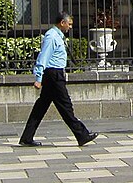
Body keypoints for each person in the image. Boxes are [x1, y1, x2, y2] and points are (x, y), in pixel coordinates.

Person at [19, 11, 98, 147]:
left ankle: (27, 137)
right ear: (62, 23)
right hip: (53, 75)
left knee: (41, 107)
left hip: (55, 74)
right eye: (69, 24)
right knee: (65, 106)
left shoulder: (58, 36)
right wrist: (38, 77)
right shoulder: (51, 36)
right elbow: (43, 57)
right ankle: (82, 134)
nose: (70, 27)